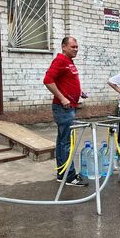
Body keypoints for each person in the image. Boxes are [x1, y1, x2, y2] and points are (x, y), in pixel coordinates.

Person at [43, 36, 87, 186]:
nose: (76, 49)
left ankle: (62, 174)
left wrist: (79, 92)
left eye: (76, 47)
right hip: (63, 109)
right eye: (73, 47)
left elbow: (66, 81)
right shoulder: (60, 60)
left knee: (63, 142)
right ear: (64, 47)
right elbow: (48, 81)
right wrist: (62, 98)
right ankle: (69, 176)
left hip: (69, 107)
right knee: (67, 143)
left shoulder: (69, 62)